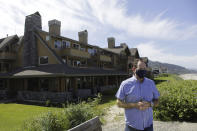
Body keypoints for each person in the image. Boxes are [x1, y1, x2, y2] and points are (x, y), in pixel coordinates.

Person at [116, 60, 160, 131]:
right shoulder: (125, 84)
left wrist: (149, 104)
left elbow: (157, 101)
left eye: (144, 69)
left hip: (148, 126)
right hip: (132, 127)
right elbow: (118, 103)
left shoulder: (151, 83)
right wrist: (135, 105)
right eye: (141, 69)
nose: (143, 71)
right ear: (134, 69)